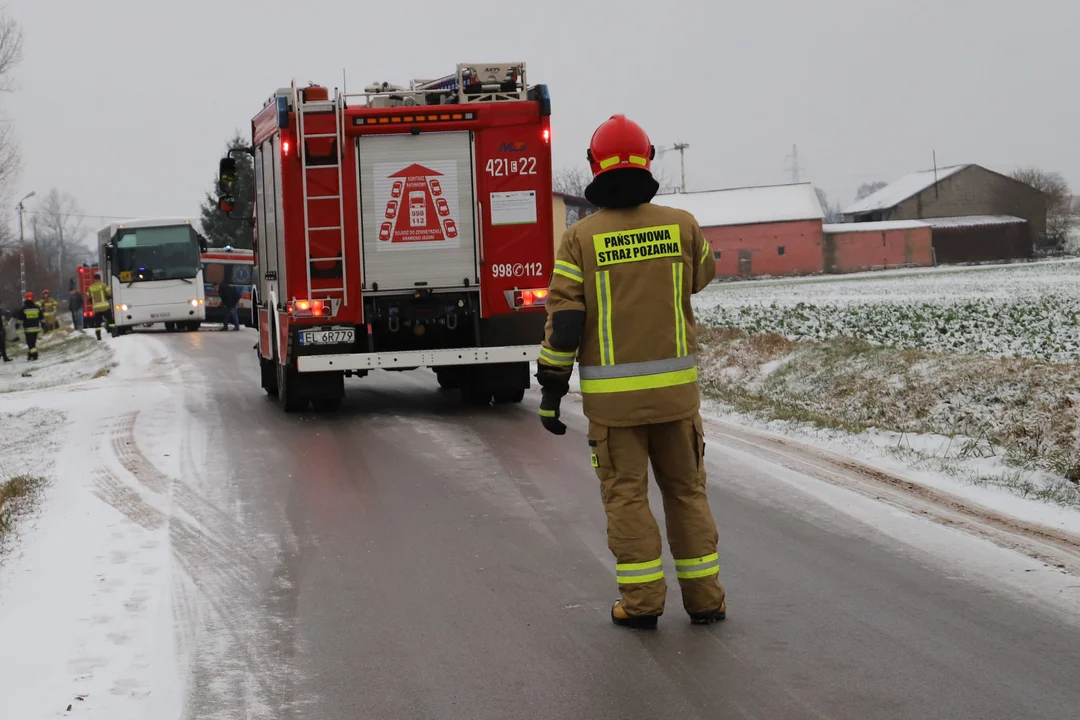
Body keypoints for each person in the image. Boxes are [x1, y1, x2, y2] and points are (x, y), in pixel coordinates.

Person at [535, 114, 724, 629]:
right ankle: (705, 600)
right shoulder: (682, 225)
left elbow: (566, 322)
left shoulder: (580, 239)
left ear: (595, 167)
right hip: (676, 401)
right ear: (649, 161)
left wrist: (551, 390)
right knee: (687, 494)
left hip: (615, 411)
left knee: (626, 498)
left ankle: (641, 605)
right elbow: (703, 274)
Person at [14, 291, 45, 360]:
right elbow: (41, 317)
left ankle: (35, 355)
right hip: (36, 329)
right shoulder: (37, 307)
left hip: (28, 329)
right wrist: (43, 324)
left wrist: (17, 325)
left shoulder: (23, 308)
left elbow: (20, 318)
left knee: (30, 343)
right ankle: (30, 355)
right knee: (33, 343)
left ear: (26, 298)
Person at [86, 272, 113, 340]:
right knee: (110, 321)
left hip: (96, 309)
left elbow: (88, 298)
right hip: (105, 307)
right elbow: (109, 293)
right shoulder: (103, 285)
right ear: (100, 278)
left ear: (94, 279)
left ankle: (98, 336)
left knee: (98, 323)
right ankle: (114, 333)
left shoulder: (90, 287)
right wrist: (108, 297)